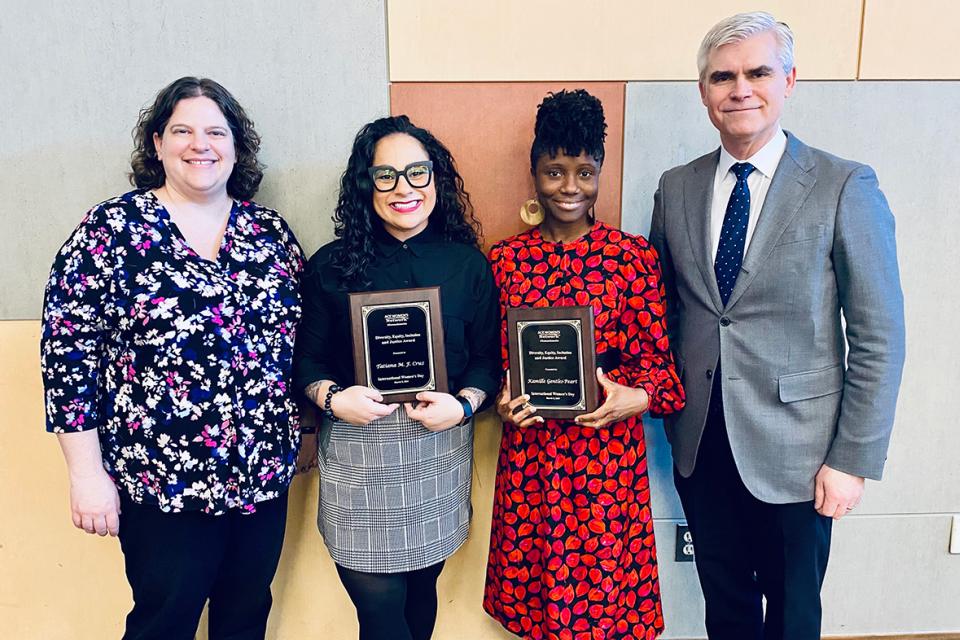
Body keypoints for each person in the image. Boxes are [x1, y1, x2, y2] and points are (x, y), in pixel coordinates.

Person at [648, 12, 906, 639]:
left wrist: (852, 460)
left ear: (789, 80)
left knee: (793, 617)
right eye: (722, 76)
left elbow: (879, 337)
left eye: (758, 72)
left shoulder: (844, 184)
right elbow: (666, 311)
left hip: (802, 453)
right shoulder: (676, 187)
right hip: (702, 444)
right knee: (727, 609)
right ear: (704, 92)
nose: (740, 89)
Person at [40, 77, 304, 639]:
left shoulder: (269, 232)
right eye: (182, 130)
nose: (199, 144)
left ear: (237, 146)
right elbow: (67, 353)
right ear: (157, 143)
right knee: (165, 621)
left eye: (215, 131)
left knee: (245, 617)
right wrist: (85, 475)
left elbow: (298, 343)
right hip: (159, 480)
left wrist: (303, 431)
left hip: (260, 477)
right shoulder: (110, 229)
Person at [483, 89, 685, 639]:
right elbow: (486, 367)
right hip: (532, 457)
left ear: (599, 173)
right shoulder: (503, 262)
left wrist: (634, 396)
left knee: (600, 610)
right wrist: (501, 403)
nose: (569, 187)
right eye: (554, 172)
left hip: (604, 462)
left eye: (584, 172)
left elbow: (662, 373)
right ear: (534, 174)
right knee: (537, 610)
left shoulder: (631, 257)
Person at [294, 115, 500, 640]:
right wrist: (334, 399)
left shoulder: (468, 266)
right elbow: (306, 362)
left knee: (420, 598)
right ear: (366, 185)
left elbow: (486, 359)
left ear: (436, 179)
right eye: (385, 175)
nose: (403, 188)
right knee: (381, 615)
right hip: (359, 461)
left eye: (417, 172)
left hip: (438, 452)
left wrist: (467, 404)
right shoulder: (330, 266)